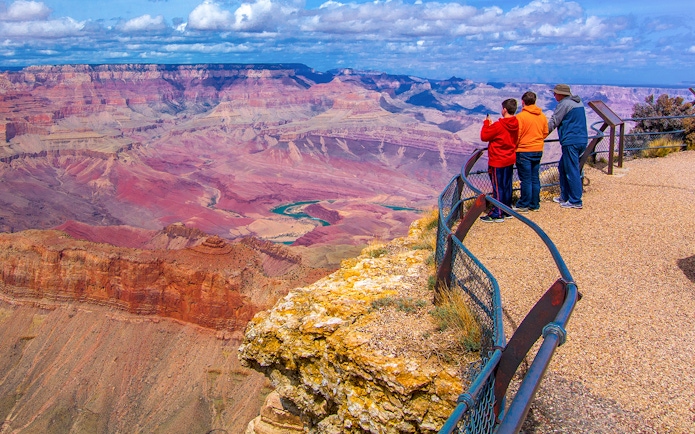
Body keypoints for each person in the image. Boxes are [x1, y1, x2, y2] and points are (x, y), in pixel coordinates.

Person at [547, 84, 588, 209]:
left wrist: (539, 135)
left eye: (555, 93)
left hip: (571, 141)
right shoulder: (578, 102)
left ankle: (575, 200)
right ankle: (564, 196)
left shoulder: (564, 104)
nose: (554, 95)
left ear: (561, 94)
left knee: (571, 169)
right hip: (581, 139)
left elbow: (554, 121)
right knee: (563, 167)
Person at [480, 98, 519, 222]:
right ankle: (506, 209)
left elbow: (484, 136)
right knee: (507, 185)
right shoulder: (516, 123)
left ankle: (498, 213)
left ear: (504, 110)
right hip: (509, 159)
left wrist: (486, 124)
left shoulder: (499, 125)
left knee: (498, 187)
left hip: (498, 160)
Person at [514, 91, 548, 212]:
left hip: (524, 151)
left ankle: (524, 204)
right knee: (535, 177)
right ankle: (534, 204)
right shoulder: (542, 116)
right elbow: (545, 132)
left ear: (523, 102)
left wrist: (516, 145)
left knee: (526, 179)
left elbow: (516, 135)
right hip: (538, 150)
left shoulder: (520, 117)